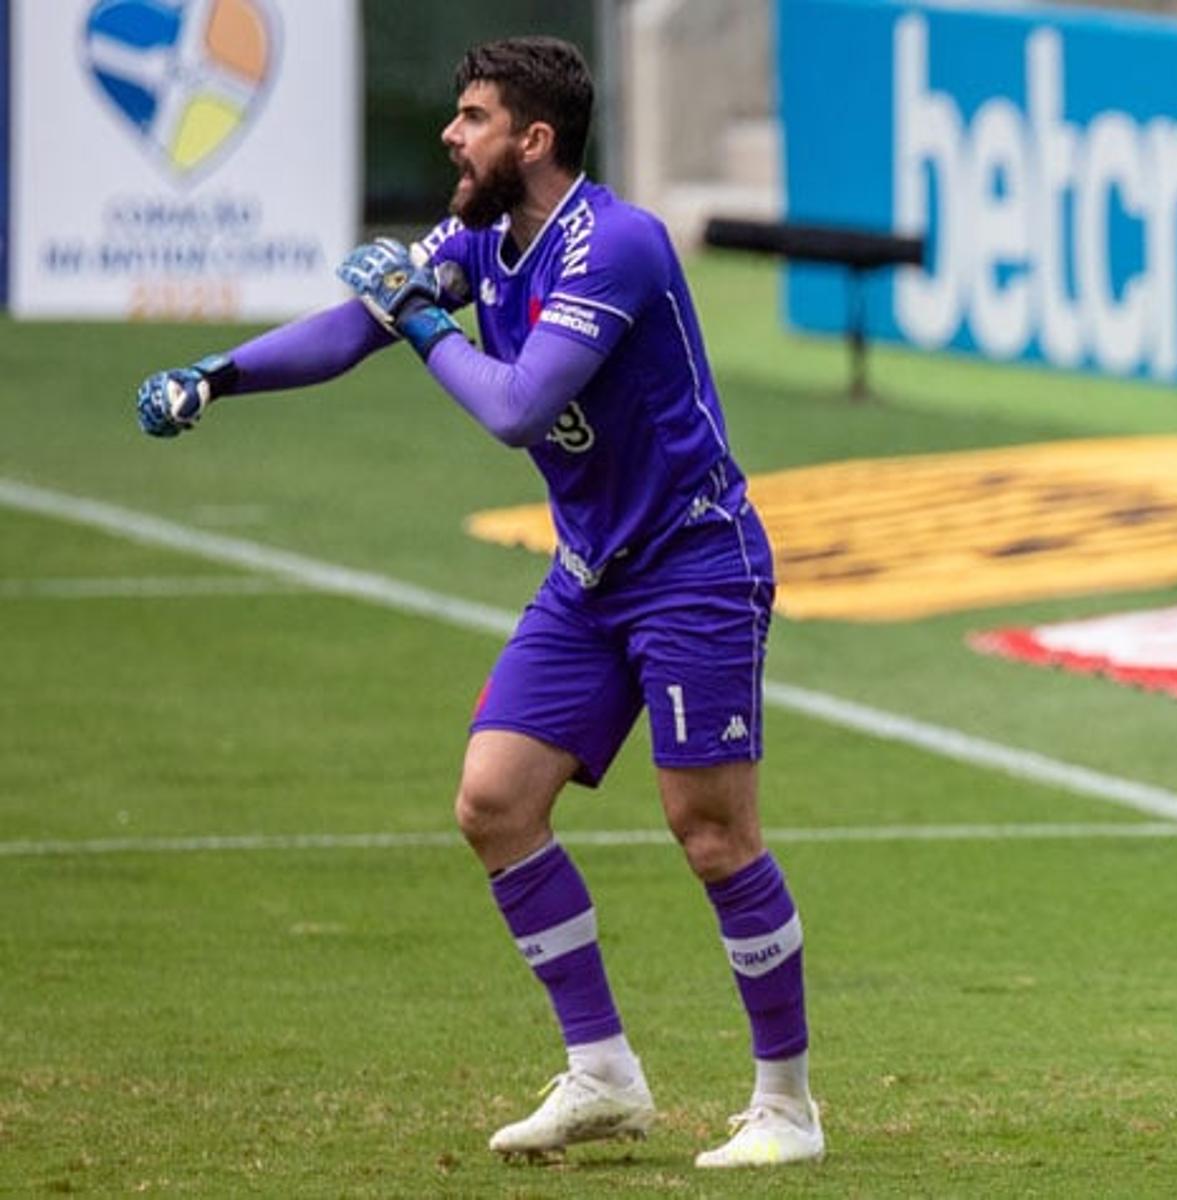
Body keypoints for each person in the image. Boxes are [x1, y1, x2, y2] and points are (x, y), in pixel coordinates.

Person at [133, 36, 823, 1170]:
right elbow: (352, 328)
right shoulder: (479, 241)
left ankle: (788, 1109)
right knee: (495, 802)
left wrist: (423, 317)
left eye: (471, 118)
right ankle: (603, 1074)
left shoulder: (617, 247)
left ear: (532, 139)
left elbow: (514, 406)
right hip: (593, 571)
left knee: (711, 833)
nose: (450, 137)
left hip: (695, 565)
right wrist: (217, 376)